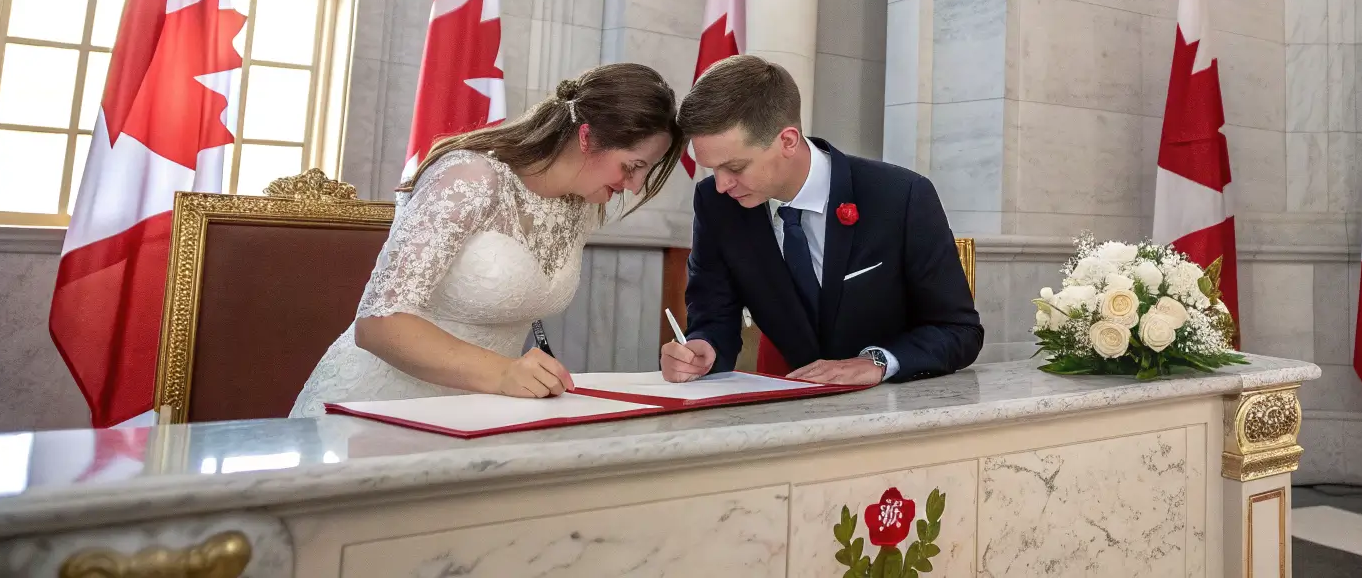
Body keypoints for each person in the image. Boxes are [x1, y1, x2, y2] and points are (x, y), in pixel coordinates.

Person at [289, 63, 684, 416]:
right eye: (632, 167)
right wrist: (502, 372)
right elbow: (377, 324)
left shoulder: (582, 207)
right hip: (381, 404)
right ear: (586, 137)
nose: (633, 186)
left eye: (643, 172)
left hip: (481, 413)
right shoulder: (470, 178)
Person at [662, 55, 982, 387]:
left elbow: (959, 331)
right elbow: (714, 316)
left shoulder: (901, 196)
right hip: (788, 409)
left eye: (736, 167)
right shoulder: (716, 204)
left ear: (787, 140)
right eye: (712, 168)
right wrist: (703, 348)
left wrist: (877, 362)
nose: (721, 184)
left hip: (898, 410)